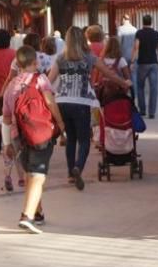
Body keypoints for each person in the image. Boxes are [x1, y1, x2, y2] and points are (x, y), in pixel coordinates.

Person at [47, 27, 131, 190]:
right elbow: (109, 74)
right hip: (81, 102)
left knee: (71, 139)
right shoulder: (89, 57)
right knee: (84, 140)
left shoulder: (60, 58)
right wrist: (124, 83)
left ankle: (71, 174)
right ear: (82, 40)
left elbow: (49, 80)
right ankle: (78, 167)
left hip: (62, 102)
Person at [2, 46, 65, 233]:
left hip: (18, 136)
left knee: (31, 173)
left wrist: (6, 144)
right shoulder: (41, 79)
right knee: (38, 175)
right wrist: (60, 124)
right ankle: (27, 216)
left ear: (17, 64)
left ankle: (38, 213)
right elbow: (50, 102)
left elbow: (6, 118)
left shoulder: (11, 86)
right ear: (35, 63)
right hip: (40, 133)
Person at [133, 14, 158, 119]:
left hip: (142, 63)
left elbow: (136, 47)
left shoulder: (139, 33)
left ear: (142, 22)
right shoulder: (156, 34)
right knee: (153, 88)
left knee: (140, 87)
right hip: (153, 63)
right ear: (151, 22)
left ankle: (142, 110)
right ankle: (152, 112)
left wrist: (132, 61)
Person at [99, 36, 131, 103]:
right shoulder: (121, 60)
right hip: (118, 91)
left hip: (104, 91)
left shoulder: (101, 60)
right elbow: (127, 77)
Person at [117, 15, 138, 96]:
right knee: (133, 75)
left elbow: (119, 42)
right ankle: (134, 93)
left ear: (123, 19)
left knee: (122, 75)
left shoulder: (120, 29)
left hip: (123, 55)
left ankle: (123, 93)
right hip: (133, 56)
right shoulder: (135, 29)